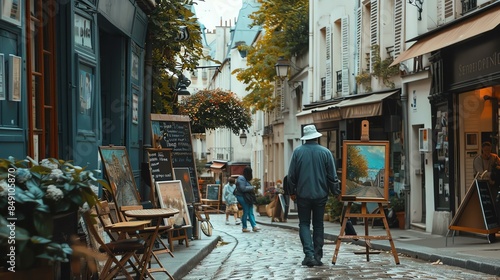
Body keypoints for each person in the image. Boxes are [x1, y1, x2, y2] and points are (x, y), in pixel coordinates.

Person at [287, 124, 339, 267]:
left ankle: (308, 255)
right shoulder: (326, 152)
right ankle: (317, 256)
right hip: (321, 194)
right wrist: (336, 192)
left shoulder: (297, 152)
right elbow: (332, 176)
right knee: (318, 225)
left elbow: (291, 175)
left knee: (304, 223)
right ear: (316, 137)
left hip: (303, 194)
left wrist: (292, 191)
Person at [234, 166, 261, 232]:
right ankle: (244, 227)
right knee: (246, 211)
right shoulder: (241, 178)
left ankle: (254, 226)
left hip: (247, 197)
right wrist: (252, 187)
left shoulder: (245, 179)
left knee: (250, 211)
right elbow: (243, 188)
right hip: (242, 197)